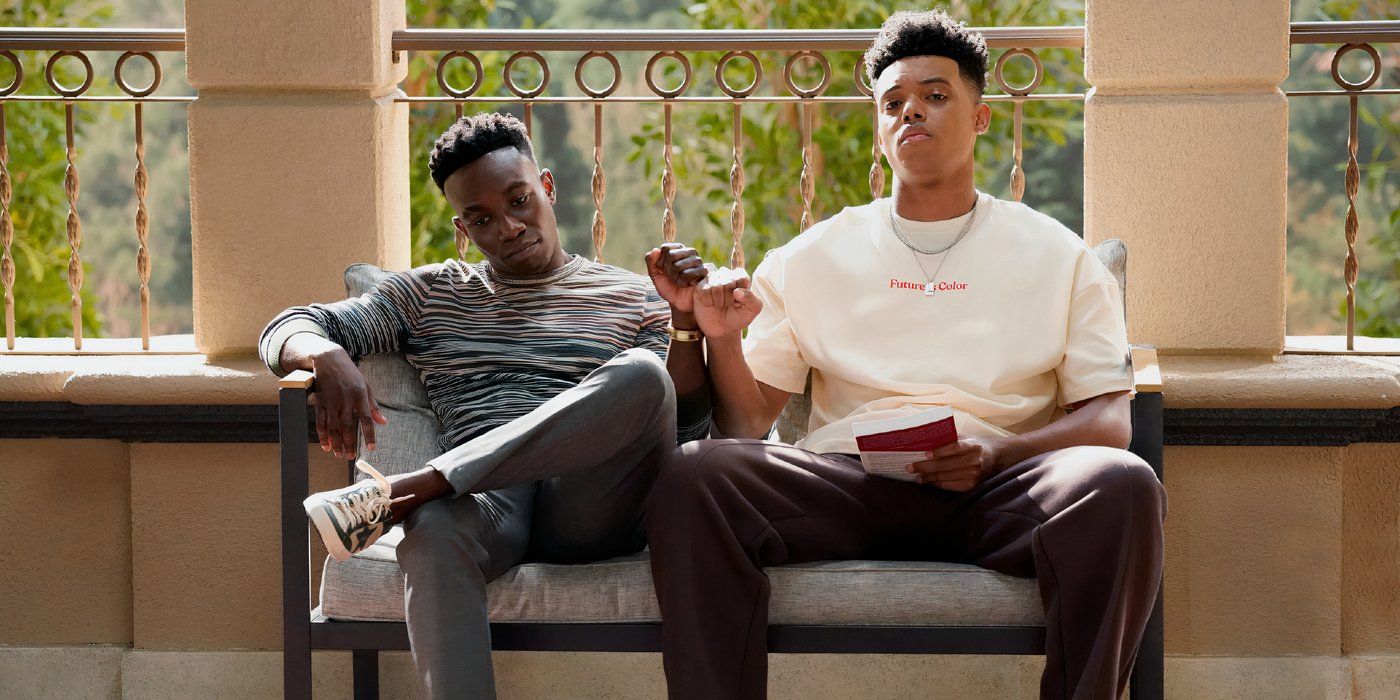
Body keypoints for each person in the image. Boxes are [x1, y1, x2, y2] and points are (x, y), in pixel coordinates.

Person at [643, 10, 1166, 699]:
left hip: (996, 491)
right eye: (893, 103)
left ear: (980, 118)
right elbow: (744, 426)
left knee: (1125, 486)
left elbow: (1109, 424)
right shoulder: (812, 257)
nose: (910, 111)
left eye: (935, 95)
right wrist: (723, 338)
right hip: (847, 487)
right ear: (879, 126)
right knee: (694, 475)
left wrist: (996, 456)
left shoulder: (1057, 254)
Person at [258, 112, 708, 698]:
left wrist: (684, 321)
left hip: (591, 504)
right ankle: (427, 492)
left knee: (643, 376)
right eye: (482, 219)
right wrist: (325, 355)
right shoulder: (431, 293)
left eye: (519, 201)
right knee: (434, 526)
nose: (509, 226)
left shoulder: (633, 297)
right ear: (463, 228)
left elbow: (687, 425)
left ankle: (406, 489)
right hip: (483, 504)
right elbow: (285, 329)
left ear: (546, 187)